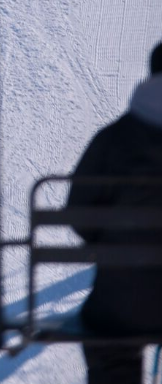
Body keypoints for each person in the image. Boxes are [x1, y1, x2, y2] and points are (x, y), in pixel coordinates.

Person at [66, 42, 162, 384]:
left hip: (120, 305)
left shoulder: (114, 139)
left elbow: (79, 214)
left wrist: (109, 241)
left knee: (109, 342)